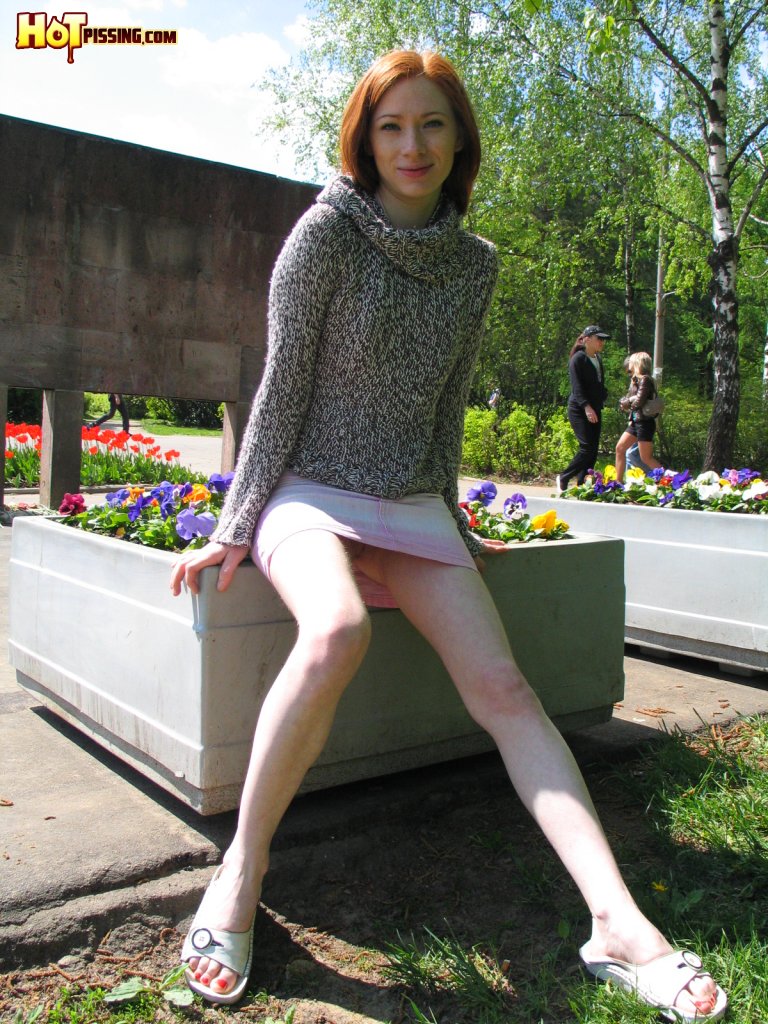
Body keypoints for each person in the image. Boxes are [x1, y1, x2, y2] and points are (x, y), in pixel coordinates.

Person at [169, 51, 726, 1020]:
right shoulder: (323, 236)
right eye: (391, 126)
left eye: (431, 124)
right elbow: (280, 388)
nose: (411, 145)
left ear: (459, 137)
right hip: (310, 489)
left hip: (410, 500)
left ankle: (619, 924)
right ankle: (240, 877)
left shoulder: (477, 265)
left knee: (505, 688)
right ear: (365, 138)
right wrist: (236, 523)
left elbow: (446, 406)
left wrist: (454, 518)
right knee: (336, 631)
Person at [556, 326, 609, 493]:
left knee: (593, 449)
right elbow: (577, 388)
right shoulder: (577, 359)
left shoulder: (597, 358)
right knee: (586, 447)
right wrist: (587, 407)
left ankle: (582, 484)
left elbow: (598, 384)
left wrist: (603, 396)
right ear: (587, 339)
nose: (602, 342)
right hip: (579, 409)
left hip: (595, 408)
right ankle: (564, 477)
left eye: (603, 339)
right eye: (599, 338)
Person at [615, 351, 663, 483]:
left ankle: (669, 480)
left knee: (646, 458)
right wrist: (625, 402)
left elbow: (639, 401)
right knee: (620, 448)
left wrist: (628, 403)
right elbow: (630, 399)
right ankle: (617, 483)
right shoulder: (635, 381)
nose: (629, 365)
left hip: (644, 423)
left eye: (631, 362)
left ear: (637, 363)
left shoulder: (646, 380)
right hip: (635, 422)